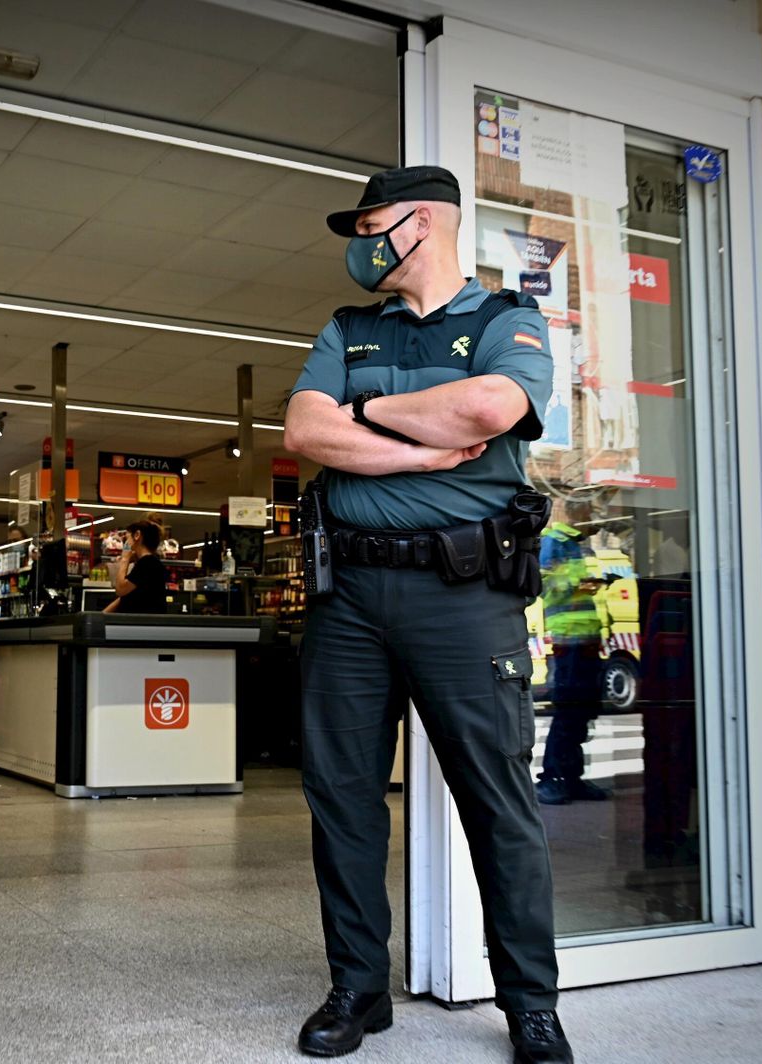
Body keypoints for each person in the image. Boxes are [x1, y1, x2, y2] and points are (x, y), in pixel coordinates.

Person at [283, 165, 574, 1063]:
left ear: (421, 222)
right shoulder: (348, 327)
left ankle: (530, 1004)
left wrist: (363, 412)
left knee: (497, 802)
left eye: (370, 222)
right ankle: (357, 989)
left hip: (464, 599)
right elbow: (303, 433)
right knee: (343, 800)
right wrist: (415, 450)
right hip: (351, 600)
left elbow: (491, 406)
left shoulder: (503, 322)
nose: (360, 240)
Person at [537, 494, 610, 806]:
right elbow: (548, 584)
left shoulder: (582, 545)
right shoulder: (555, 542)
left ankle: (572, 778)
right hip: (567, 640)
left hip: (588, 640)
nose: (597, 518)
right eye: (593, 512)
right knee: (567, 711)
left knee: (582, 711)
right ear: (577, 512)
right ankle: (551, 778)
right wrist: (592, 582)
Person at [103, 521, 167, 614]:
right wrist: (101, 616)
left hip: (143, 625)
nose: (126, 544)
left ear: (137, 535)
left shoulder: (148, 563)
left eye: (127, 538)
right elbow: (126, 597)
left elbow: (120, 589)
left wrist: (125, 558)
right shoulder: (146, 562)